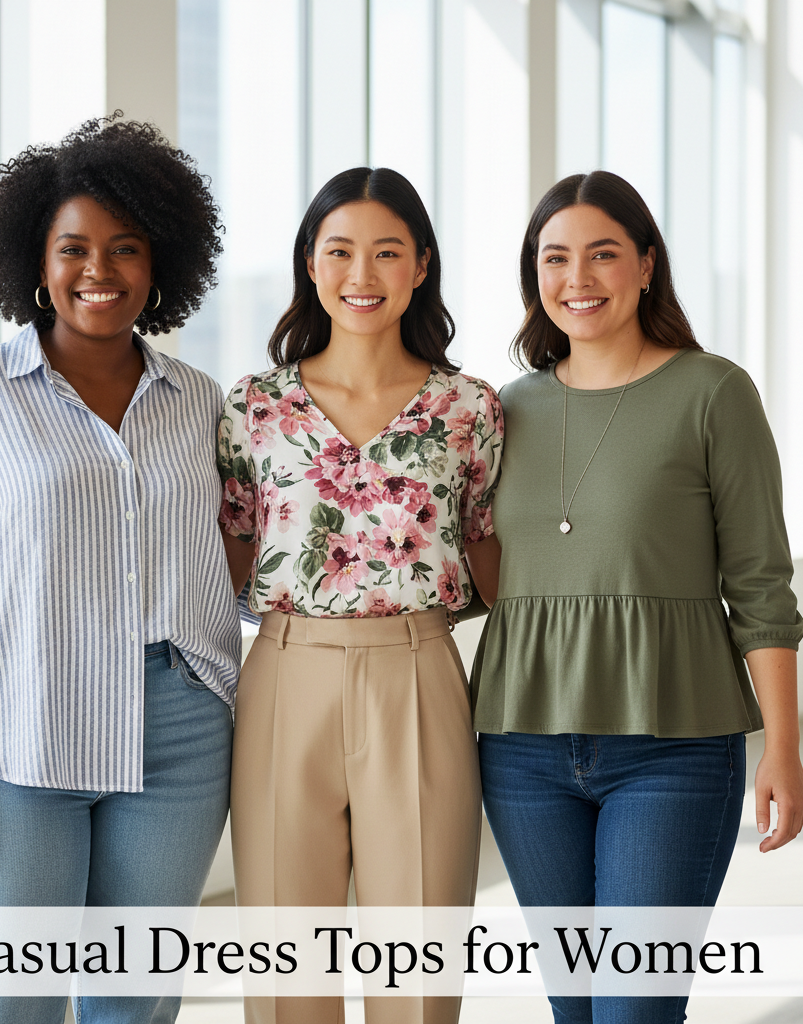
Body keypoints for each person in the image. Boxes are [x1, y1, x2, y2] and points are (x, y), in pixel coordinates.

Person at [0, 114, 238, 1024]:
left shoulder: (196, 400)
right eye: (74, 248)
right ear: (36, 263)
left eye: (125, 249)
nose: (99, 272)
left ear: (159, 265)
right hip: (18, 732)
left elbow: (235, 549)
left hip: (179, 734)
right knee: (9, 1004)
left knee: (137, 1000)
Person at [470, 170, 803, 1024]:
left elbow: (761, 583)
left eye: (602, 255)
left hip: (674, 748)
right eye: (555, 259)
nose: (576, 280)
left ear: (647, 265)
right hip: (523, 748)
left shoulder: (713, 393)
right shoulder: (503, 410)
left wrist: (783, 750)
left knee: (635, 1011)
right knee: (574, 1007)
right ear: (533, 276)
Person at [218, 166, 504, 1024]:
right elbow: (231, 546)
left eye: (387, 252)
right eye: (340, 251)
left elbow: (490, 548)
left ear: (422, 265)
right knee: (281, 961)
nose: (362, 275)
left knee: (416, 961)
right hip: (284, 671)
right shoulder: (254, 407)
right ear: (310, 263)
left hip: (417, 673)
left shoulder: (469, 408)